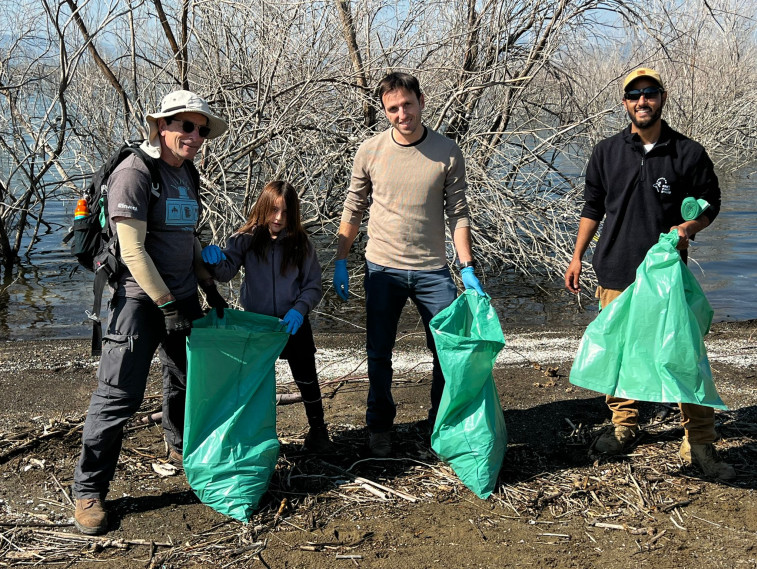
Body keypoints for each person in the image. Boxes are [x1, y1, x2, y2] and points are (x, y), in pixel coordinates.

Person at [564, 67, 735, 480]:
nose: (642, 101)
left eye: (650, 93)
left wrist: (688, 228)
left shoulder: (688, 153)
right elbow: (592, 207)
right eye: (634, 94)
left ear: (662, 98)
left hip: (666, 276)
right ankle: (625, 426)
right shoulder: (605, 152)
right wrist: (577, 255)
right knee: (618, 353)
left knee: (683, 357)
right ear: (624, 103)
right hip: (615, 268)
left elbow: (710, 202)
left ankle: (699, 442)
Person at [73, 90, 229, 535]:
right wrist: (166, 305)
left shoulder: (187, 174)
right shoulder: (135, 173)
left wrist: (207, 288)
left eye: (201, 129)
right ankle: (89, 491)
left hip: (182, 298)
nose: (195, 136)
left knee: (184, 379)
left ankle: (178, 446)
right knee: (118, 395)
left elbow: (188, 238)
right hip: (139, 302)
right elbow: (133, 251)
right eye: (186, 126)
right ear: (162, 126)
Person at [333, 71, 485, 458]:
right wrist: (339, 258)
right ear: (385, 111)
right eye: (393, 108)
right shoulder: (370, 151)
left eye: (407, 104)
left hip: (433, 271)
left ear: (420, 100)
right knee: (379, 353)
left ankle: (441, 422)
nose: (402, 114)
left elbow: (459, 215)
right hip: (382, 269)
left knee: (447, 352)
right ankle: (379, 425)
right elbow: (353, 208)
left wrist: (466, 266)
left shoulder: (447, 152)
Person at [200, 180, 334, 454]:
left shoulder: (302, 244)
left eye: (285, 212)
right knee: (255, 382)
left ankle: (318, 431)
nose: (278, 218)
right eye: (273, 210)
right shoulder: (245, 239)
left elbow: (313, 285)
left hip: (291, 323)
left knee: (307, 377)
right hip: (257, 325)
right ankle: (252, 435)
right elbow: (226, 272)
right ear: (263, 208)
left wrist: (300, 309)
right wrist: (212, 259)